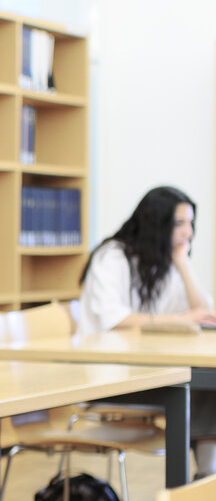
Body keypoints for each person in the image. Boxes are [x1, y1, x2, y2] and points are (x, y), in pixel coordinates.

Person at [79, 185, 216, 476]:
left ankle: (207, 478)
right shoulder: (113, 257)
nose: (188, 232)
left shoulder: (167, 265)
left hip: (151, 372)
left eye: (191, 223)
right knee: (201, 387)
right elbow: (112, 318)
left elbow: (206, 315)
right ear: (157, 223)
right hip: (110, 377)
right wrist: (177, 321)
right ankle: (207, 479)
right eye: (180, 224)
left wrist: (183, 263)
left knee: (208, 384)